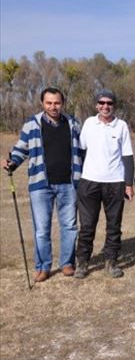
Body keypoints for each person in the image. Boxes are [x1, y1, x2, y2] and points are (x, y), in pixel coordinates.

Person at [2, 87, 82, 283]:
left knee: (70, 226)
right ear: (42, 103)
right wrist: (12, 162)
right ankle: (43, 266)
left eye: (57, 103)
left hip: (69, 184)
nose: (53, 107)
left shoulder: (73, 123)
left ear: (62, 103)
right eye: (49, 103)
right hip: (41, 185)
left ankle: (67, 263)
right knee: (41, 229)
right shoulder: (32, 124)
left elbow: (83, 150)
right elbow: (21, 148)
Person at [75, 89, 134, 278]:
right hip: (90, 182)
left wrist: (128, 183)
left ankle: (111, 262)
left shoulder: (121, 125)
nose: (105, 106)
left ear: (114, 106)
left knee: (114, 225)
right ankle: (83, 263)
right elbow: (81, 150)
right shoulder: (89, 123)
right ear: (96, 105)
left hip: (114, 182)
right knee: (87, 225)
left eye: (109, 103)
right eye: (101, 103)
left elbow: (127, 156)